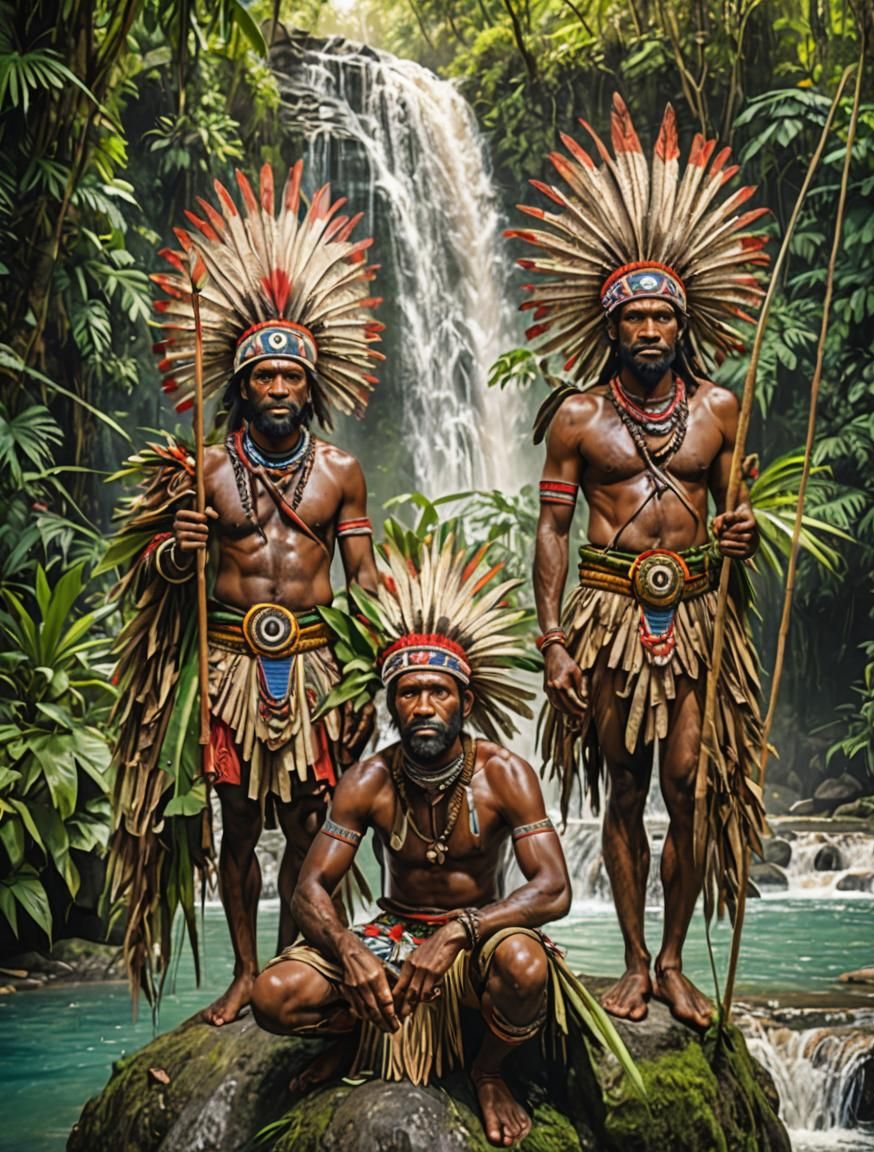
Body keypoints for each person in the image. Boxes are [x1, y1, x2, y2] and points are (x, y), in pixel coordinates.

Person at [507, 95, 768, 1031]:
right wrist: (551, 640)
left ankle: (671, 957)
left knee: (690, 784)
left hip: (695, 614)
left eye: (664, 316)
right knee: (622, 783)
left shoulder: (721, 411)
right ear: (610, 327)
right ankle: (626, 960)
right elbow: (551, 533)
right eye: (636, 319)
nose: (651, 331)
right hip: (612, 614)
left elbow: (737, 511)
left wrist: (737, 531)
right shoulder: (578, 419)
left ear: (684, 321)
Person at [104, 162, 384, 1023]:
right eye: (262, 378)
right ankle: (240, 967)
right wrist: (177, 552)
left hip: (311, 665)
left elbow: (364, 578)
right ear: (241, 385)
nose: (277, 390)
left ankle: (301, 965)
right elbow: (155, 576)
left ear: (312, 384)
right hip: (227, 663)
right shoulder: (206, 470)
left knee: (307, 823)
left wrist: (370, 670)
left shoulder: (341, 472)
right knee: (234, 823)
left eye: (291, 378)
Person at [250, 532, 641, 1148]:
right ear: (392, 705)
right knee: (272, 996)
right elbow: (309, 890)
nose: (424, 706)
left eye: (439, 691)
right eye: (409, 693)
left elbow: (555, 889)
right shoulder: (369, 780)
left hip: (479, 938)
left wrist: (460, 930)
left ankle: (488, 1070)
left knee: (525, 966)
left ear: (466, 700)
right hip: (393, 937)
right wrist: (350, 949)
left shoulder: (505, 774)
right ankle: (361, 1031)